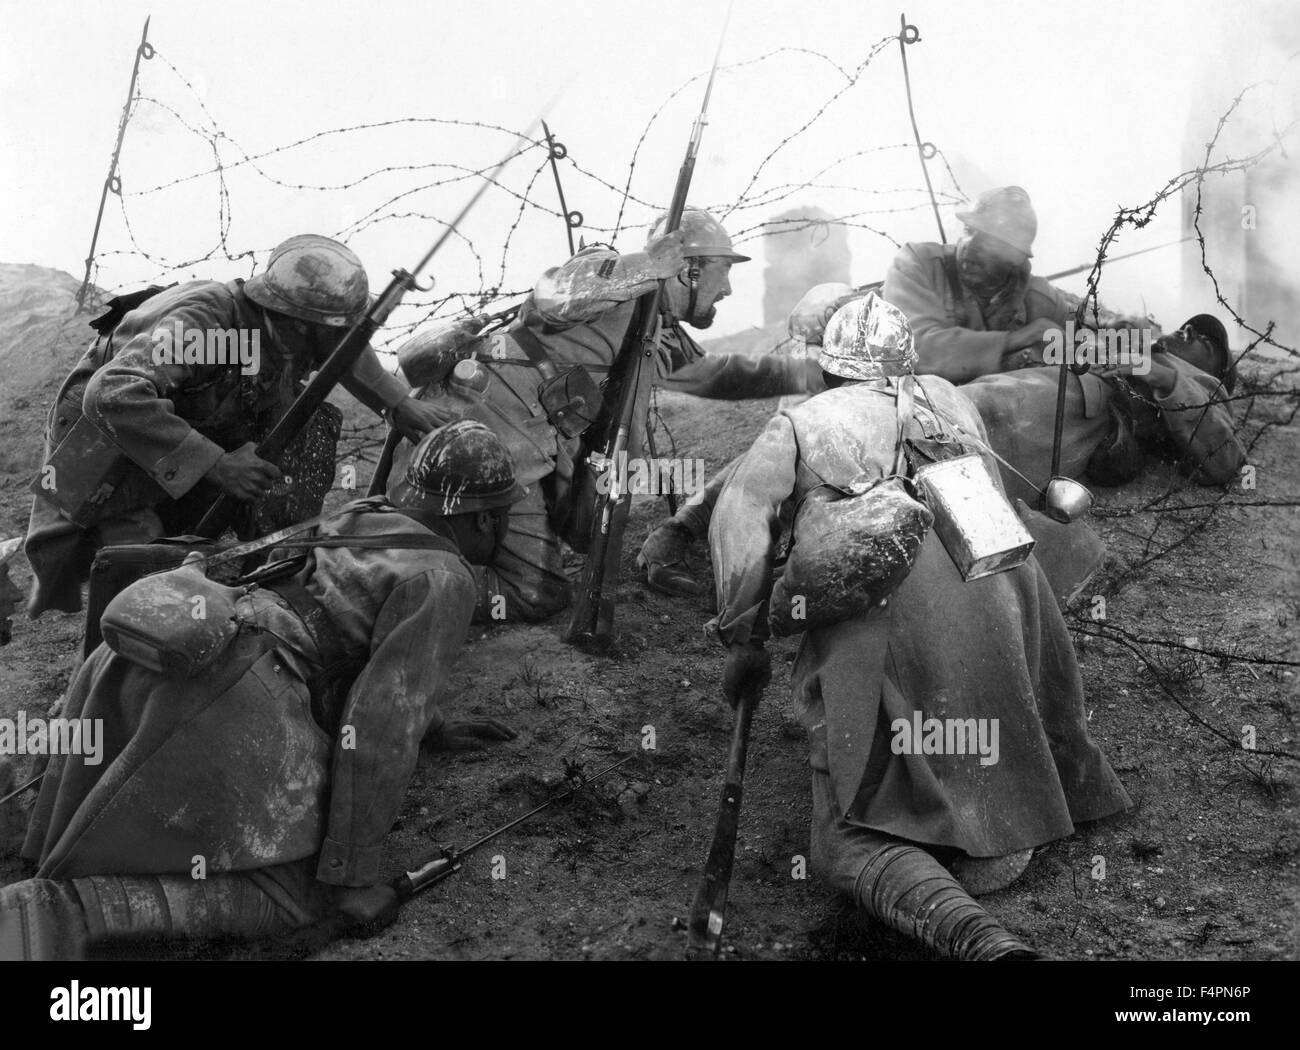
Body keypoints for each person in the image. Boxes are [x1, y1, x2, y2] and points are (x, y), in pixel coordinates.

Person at [707, 293, 1131, 960]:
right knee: (973, 738)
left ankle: (980, 940)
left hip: (890, 621)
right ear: (904, 363)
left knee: (844, 840)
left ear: (827, 367)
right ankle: (1006, 803)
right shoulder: (950, 400)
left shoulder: (798, 424)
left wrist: (744, 635)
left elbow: (740, 533)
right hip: (1014, 612)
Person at [0, 421, 524, 960]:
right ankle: (56, 914)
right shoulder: (444, 577)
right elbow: (378, 728)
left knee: (76, 806)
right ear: (485, 518)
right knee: (293, 899)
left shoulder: (361, 513)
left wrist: (430, 723)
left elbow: (348, 631)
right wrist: (350, 878)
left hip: (168, 645)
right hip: (231, 694)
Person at [392, 208, 824, 622]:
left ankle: (419, 579)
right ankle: (398, 580)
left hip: (521, 464)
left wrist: (811, 373)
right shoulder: (612, 276)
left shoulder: (657, 330)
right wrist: (646, 266)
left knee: (538, 591)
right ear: (689, 269)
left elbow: (714, 375)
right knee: (474, 561)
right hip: (461, 442)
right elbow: (555, 295)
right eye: (723, 271)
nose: (728, 289)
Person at [24, 234, 446, 618]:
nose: (338, 345)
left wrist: (398, 403)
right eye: (329, 332)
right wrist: (219, 465)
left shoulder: (274, 325)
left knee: (307, 422)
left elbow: (345, 348)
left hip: (185, 415)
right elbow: (115, 394)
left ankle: (270, 565)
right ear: (300, 324)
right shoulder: (215, 330)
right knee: (140, 563)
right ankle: (110, 670)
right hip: (108, 437)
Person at [881, 185, 1245, 501]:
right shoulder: (922, 263)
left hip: (1092, 405)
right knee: (975, 403)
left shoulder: (1195, 382)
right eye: (971, 230)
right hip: (1057, 382)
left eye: (1205, 342)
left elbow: (1225, 460)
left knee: (984, 408)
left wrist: (1159, 376)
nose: (1188, 331)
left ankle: (903, 458)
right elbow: (1062, 337)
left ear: (1212, 369)